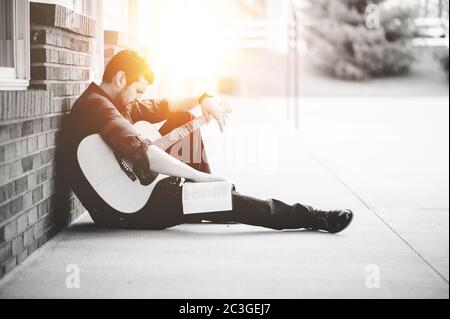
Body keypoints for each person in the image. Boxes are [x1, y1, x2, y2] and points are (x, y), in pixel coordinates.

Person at [61, 50, 353, 233]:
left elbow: (164, 105)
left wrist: (203, 98)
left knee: (179, 119)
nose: (138, 97)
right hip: (127, 210)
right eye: (137, 89)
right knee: (222, 199)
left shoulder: (108, 101)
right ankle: (313, 217)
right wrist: (199, 177)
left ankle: (210, 199)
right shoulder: (97, 106)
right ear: (122, 78)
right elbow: (142, 153)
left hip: (125, 199)